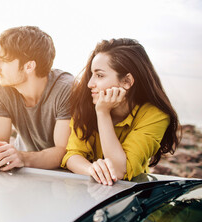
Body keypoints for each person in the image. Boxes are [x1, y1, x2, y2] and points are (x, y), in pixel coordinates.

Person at [61, 38, 180, 185]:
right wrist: (92, 170)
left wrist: (103, 113)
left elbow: (118, 171)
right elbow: (72, 155)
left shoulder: (156, 116)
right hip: (87, 191)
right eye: (91, 74)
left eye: (99, 75)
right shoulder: (85, 104)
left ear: (127, 81)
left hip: (129, 197)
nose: (90, 84)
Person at [0, 26, 74, 171]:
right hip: (23, 171)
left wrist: (22, 158)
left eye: (3, 60)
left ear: (29, 66)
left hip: (62, 176)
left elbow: (63, 151)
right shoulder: (0, 89)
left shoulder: (66, 89)